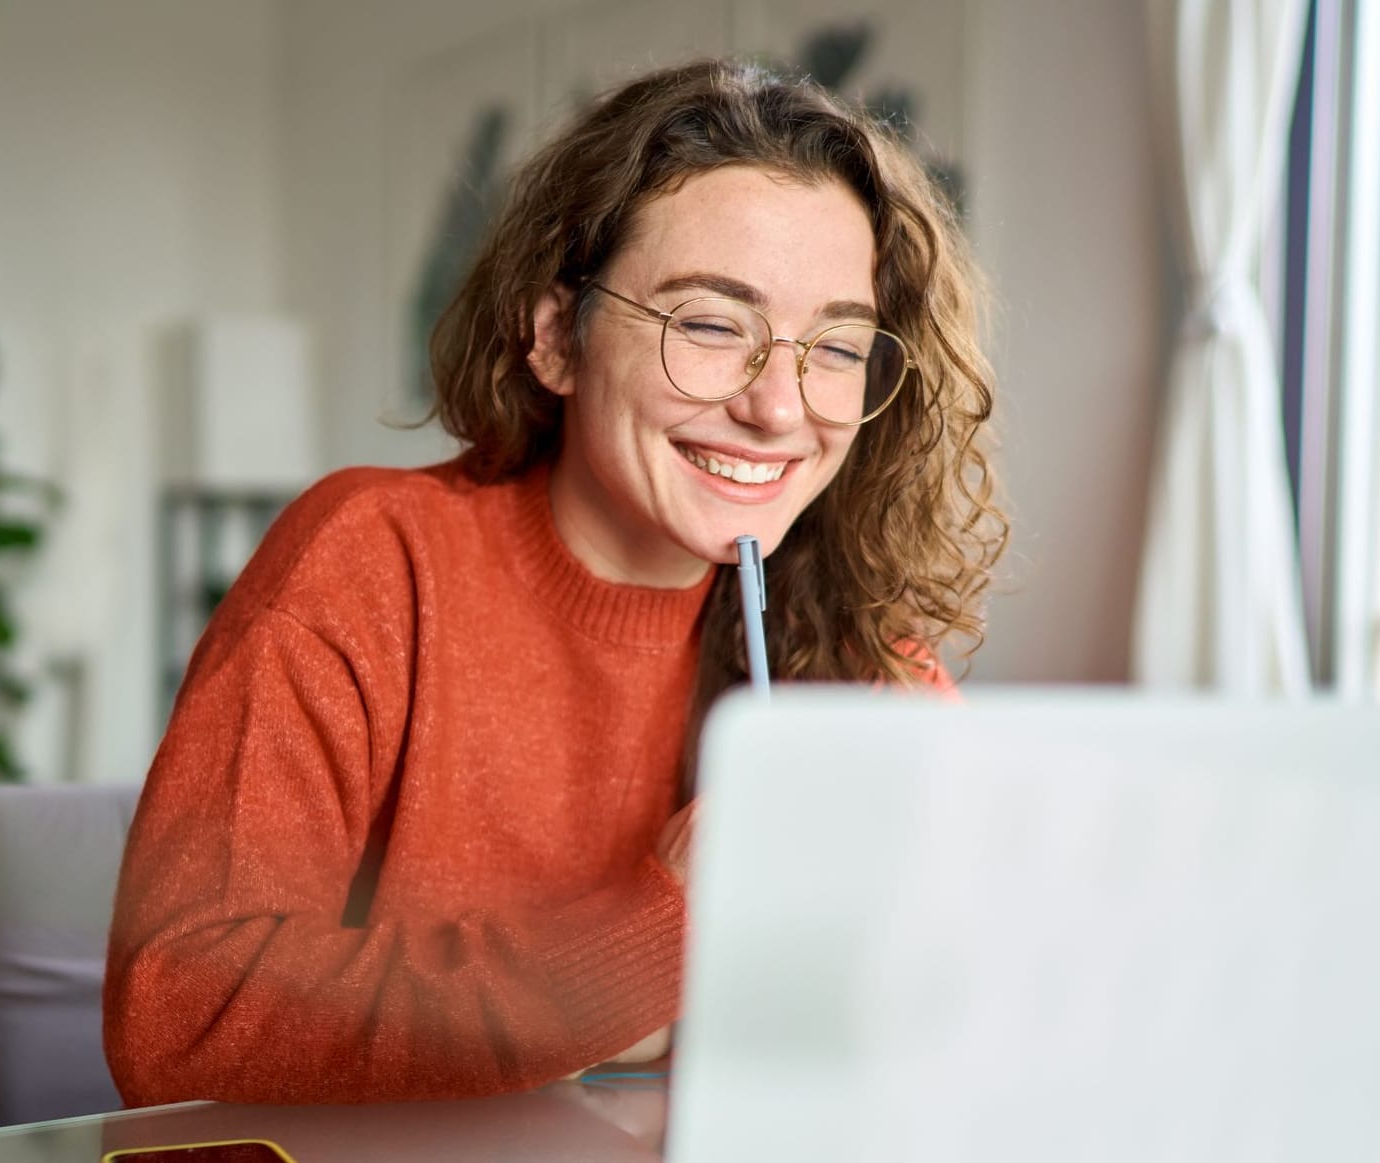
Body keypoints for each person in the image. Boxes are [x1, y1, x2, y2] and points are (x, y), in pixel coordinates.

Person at [104, 57, 1005, 1106]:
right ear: (552, 337)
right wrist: (658, 929)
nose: (777, 406)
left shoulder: (852, 644)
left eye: (835, 346)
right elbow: (179, 1015)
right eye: (710, 324)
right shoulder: (370, 562)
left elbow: (962, 1008)